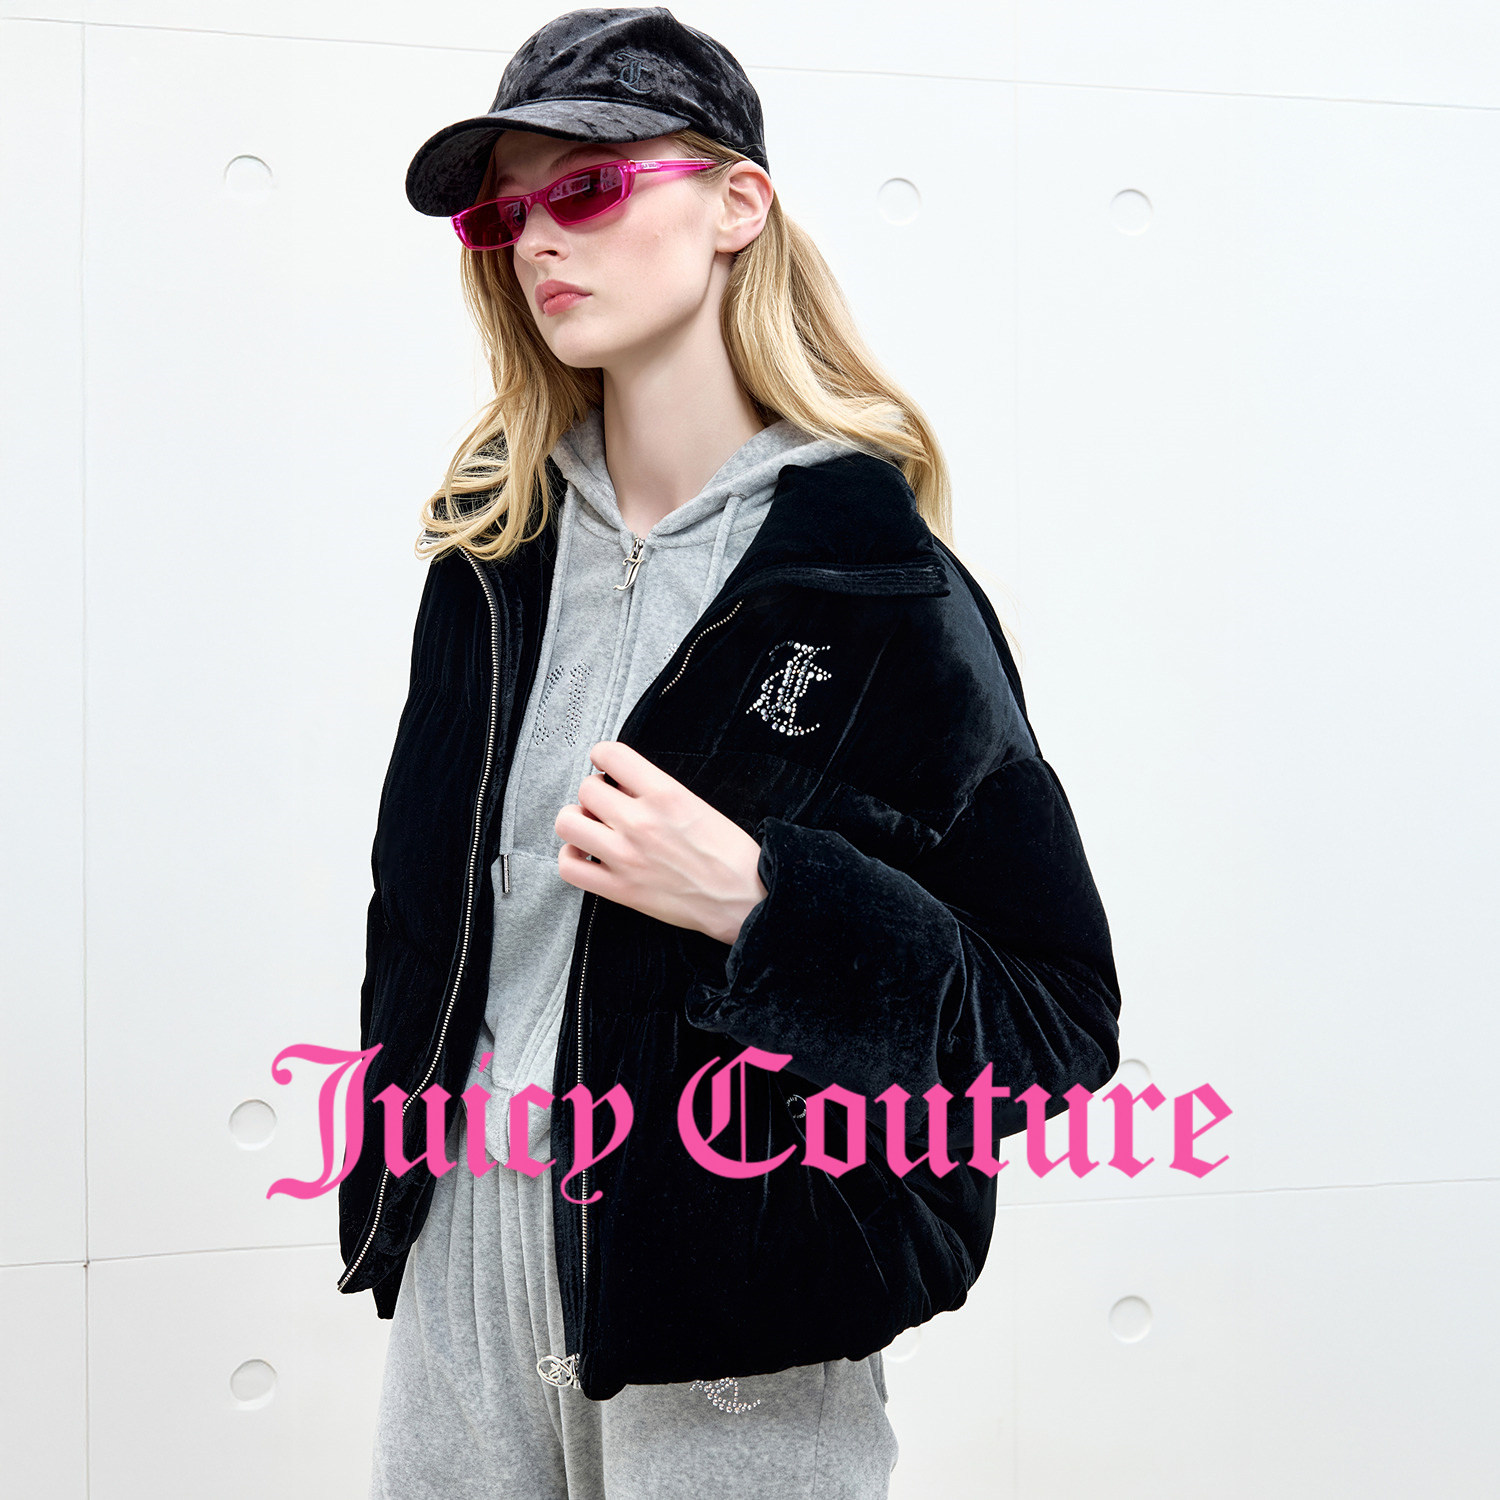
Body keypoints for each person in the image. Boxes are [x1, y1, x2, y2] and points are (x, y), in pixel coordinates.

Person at [339, 8, 1123, 1498]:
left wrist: (767, 905)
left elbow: (1055, 1023)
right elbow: (420, 920)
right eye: (505, 214)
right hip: (462, 1285)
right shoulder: (488, 563)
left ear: (736, 205)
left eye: (586, 187)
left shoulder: (878, 590)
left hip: (737, 1322)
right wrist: (404, 1187)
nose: (537, 239)